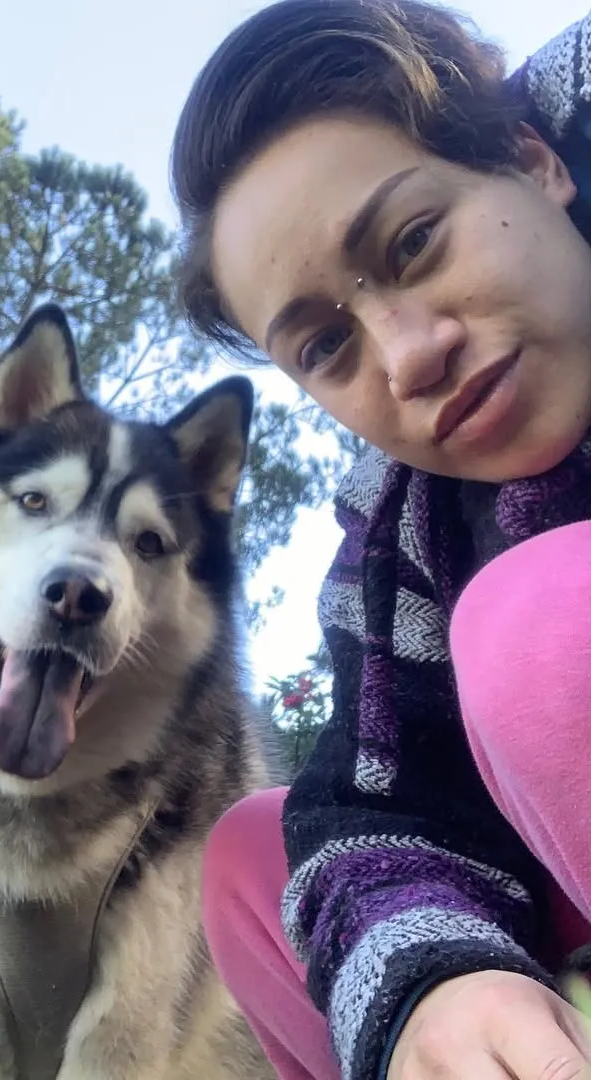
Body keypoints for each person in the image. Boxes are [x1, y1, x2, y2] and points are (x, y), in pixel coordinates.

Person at [170, 3, 591, 1079]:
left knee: (539, 622)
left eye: (413, 242)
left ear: (534, 163)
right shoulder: (403, 538)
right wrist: (436, 983)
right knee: (255, 860)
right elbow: (383, 804)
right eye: (324, 344)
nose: (406, 357)